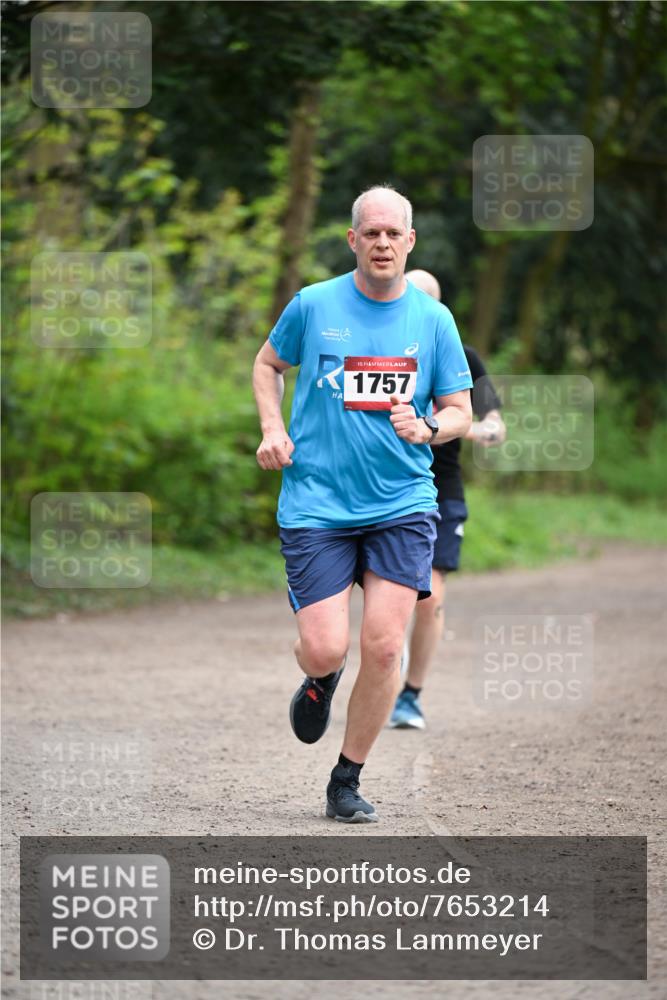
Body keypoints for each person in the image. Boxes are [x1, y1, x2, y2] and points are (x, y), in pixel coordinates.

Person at [252, 186, 473, 823]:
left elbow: (460, 410)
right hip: (317, 503)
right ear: (353, 240)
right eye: (370, 233)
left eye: (392, 233)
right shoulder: (313, 304)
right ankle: (320, 678)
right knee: (326, 648)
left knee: (382, 647)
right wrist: (272, 428)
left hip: (402, 502)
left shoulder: (434, 320)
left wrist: (428, 428)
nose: (381, 243)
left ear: (410, 242)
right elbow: (267, 365)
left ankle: (345, 779)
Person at [389, 268, 505, 730]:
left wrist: (448, 426)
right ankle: (378, 667)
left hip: (441, 490)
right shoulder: (380, 347)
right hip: (383, 486)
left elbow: (495, 427)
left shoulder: (464, 356)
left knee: (429, 594)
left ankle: (410, 695)